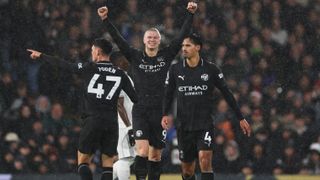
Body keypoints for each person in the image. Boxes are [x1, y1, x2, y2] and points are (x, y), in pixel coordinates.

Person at [97, 2, 198, 180]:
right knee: (142, 151)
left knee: (155, 155)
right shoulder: (135, 56)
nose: (151, 40)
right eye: (149, 37)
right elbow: (119, 40)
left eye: (155, 37)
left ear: (159, 41)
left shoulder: (165, 55)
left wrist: (190, 14)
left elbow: (182, 35)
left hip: (159, 111)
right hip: (140, 110)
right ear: (144, 40)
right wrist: (106, 20)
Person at [27, 38, 138, 180]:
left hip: (92, 120)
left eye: (92, 50)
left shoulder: (89, 68)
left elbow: (65, 65)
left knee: (83, 160)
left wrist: (41, 55)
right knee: (108, 163)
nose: (92, 53)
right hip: (111, 123)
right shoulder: (121, 74)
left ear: (98, 52)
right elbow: (135, 99)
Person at [161, 33, 252, 180]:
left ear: (198, 47)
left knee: (204, 160)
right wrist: (164, 114)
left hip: (204, 124)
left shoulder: (211, 70)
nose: (184, 48)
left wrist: (241, 117)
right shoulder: (175, 70)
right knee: (188, 170)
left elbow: (227, 93)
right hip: (184, 125)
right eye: (183, 45)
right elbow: (168, 94)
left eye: (188, 45)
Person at [110, 52, 135, 180]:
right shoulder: (119, 77)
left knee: (129, 157)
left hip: (125, 123)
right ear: (118, 62)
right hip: (123, 125)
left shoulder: (122, 76)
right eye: (125, 58)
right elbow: (119, 105)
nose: (128, 61)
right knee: (126, 158)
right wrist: (128, 127)